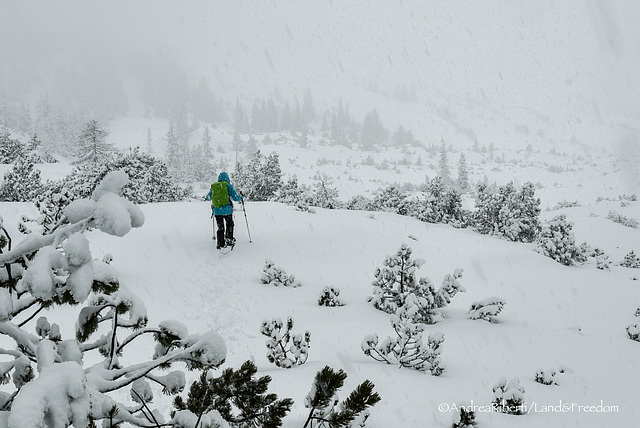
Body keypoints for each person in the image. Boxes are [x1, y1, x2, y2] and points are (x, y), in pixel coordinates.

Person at [206, 172, 243, 249]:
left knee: (220, 227)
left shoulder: (215, 186)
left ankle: (220, 243)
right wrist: (241, 196)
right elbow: (235, 198)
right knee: (229, 224)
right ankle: (229, 239)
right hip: (227, 210)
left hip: (217, 211)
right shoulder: (228, 186)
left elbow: (208, 197)